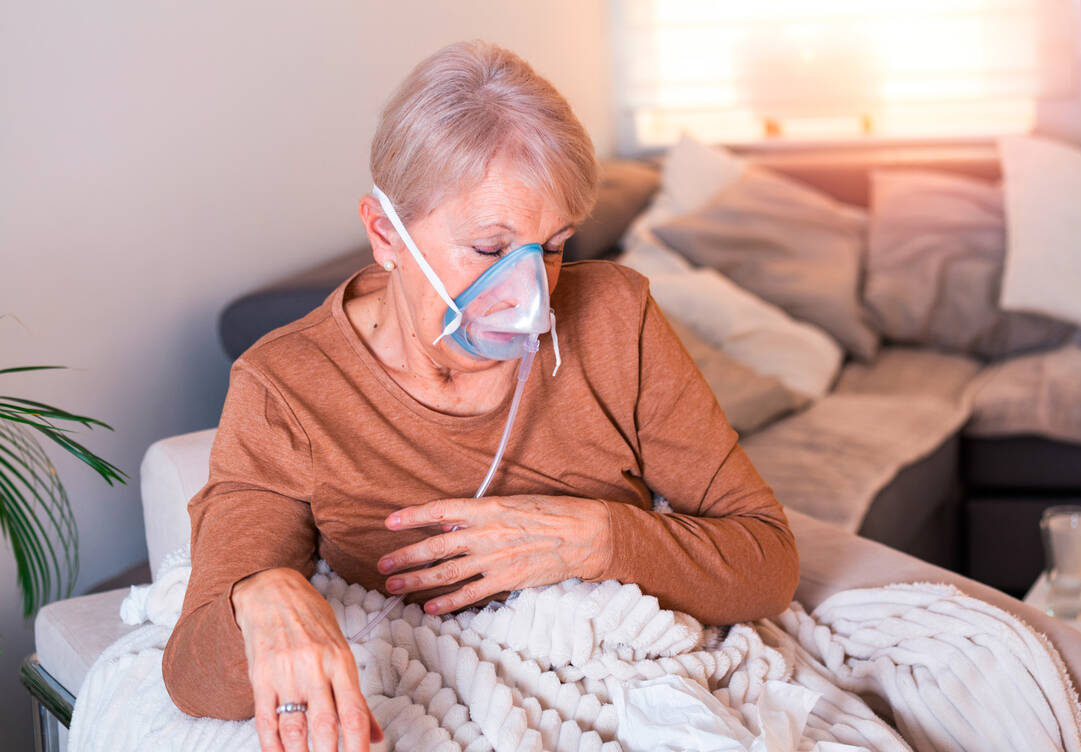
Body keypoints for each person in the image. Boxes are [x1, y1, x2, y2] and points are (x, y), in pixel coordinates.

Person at [163, 40, 799, 752]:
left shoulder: (621, 318)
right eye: (491, 250)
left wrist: (591, 538)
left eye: (553, 247)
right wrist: (261, 595)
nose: (528, 298)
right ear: (384, 234)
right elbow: (194, 675)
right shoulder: (287, 388)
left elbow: (767, 562)